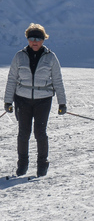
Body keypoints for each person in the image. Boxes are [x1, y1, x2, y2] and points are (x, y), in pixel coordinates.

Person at [4, 23, 67, 177]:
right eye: (31, 38)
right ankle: (22, 165)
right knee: (23, 133)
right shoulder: (19, 56)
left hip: (43, 100)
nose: (34, 42)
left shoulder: (50, 57)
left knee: (40, 133)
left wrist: (62, 103)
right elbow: (12, 79)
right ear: (27, 39)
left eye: (38, 39)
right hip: (22, 100)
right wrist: (8, 101)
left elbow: (58, 80)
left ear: (43, 40)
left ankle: (42, 164)